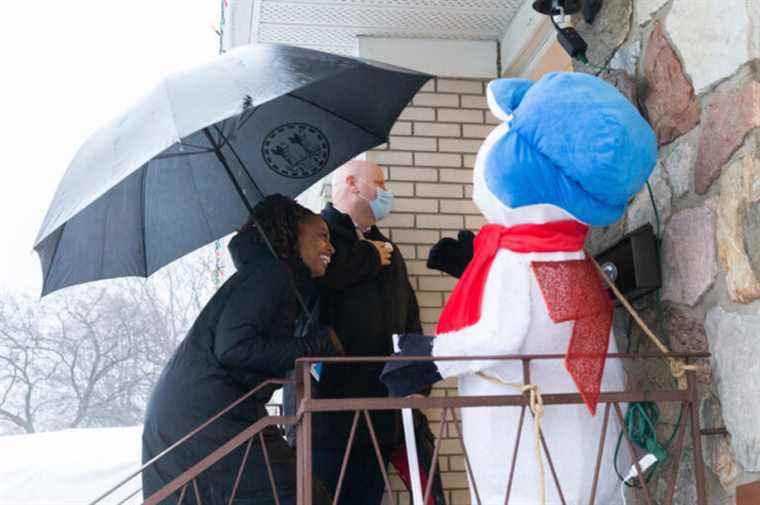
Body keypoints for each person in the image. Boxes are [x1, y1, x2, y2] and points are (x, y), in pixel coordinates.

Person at [142, 195, 338, 505]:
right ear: (292, 236)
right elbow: (234, 347)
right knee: (300, 494)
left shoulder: (272, 276)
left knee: (301, 493)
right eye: (322, 236)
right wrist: (315, 344)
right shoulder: (271, 274)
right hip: (206, 417)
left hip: (200, 413)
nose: (331, 247)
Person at [310, 159, 444, 505]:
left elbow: (409, 321)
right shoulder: (317, 239)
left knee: (430, 495)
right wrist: (365, 257)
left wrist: (420, 384)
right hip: (339, 414)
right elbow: (314, 293)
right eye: (380, 183)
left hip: (396, 406)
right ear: (352, 183)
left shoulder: (388, 249)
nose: (387, 192)